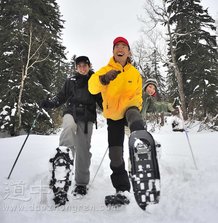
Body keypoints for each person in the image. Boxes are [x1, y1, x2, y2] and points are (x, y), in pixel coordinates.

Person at [88, 37, 147, 201]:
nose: (120, 49)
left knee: (134, 114)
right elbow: (92, 87)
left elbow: (138, 96)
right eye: (117, 46)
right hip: (113, 117)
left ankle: (141, 141)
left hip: (129, 111)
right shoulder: (104, 70)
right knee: (115, 155)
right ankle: (122, 190)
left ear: (128, 52)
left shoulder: (134, 73)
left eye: (124, 46)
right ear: (113, 51)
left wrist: (133, 106)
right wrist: (103, 79)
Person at [40, 56, 102, 196]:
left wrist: (112, 113)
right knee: (67, 126)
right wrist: (50, 103)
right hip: (71, 112)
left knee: (83, 150)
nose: (82, 68)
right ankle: (63, 160)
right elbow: (61, 97)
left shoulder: (95, 81)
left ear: (89, 65)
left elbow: (101, 101)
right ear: (76, 68)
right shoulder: (70, 81)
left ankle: (81, 183)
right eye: (79, 66)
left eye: (84, 65)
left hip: (87, 117)